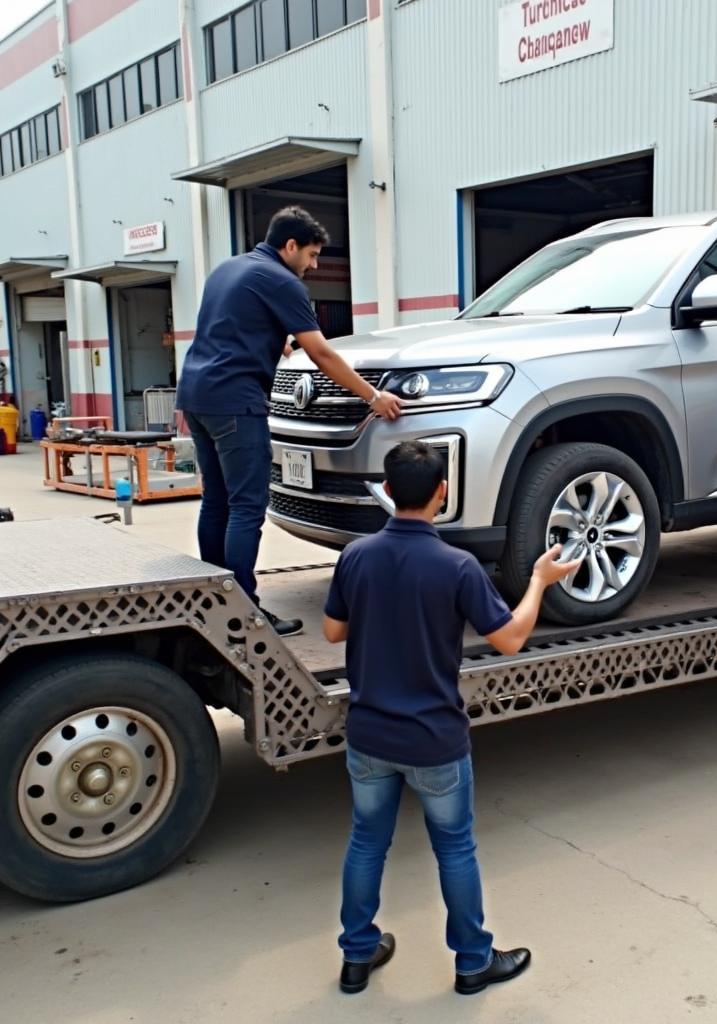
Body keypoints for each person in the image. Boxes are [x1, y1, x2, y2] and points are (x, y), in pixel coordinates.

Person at [323, 440, 582, 995]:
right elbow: (510, 639)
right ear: (442, 492)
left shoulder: (357, 555)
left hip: (369, 735)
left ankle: (357, 956)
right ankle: (472, 963)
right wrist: (538, 582)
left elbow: (332, 632)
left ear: (387, 492)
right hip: (435, 739)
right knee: (455, 849)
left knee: (367, 843)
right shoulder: (457, 566)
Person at [177, 206, 401, 635]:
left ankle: (211, 602)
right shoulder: (282, 280)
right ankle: (243, 614)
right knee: (246, 507)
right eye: (312, 255)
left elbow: (231, 325)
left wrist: (272, 343)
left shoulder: (229, 269)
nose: (313, 266)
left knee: (217, 501)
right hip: (236, 402)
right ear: (290, 245)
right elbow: (321, 353)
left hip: (196, 396)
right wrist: (373, 396)